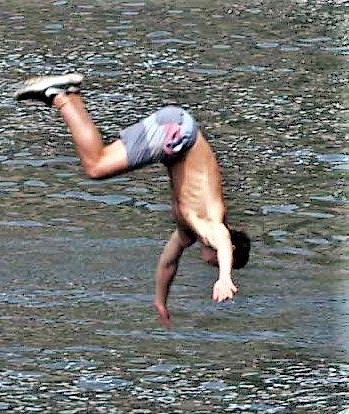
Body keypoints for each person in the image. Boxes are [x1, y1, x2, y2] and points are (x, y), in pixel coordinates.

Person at [15, 72, 250, 328]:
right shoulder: (210, 223)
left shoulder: (189, 232)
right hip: (177, 134)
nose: (211, 265)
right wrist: (224, 278)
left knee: (97, 162)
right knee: (96, 166)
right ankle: (62, 95)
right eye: (218, 264)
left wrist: (160, 301)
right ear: (228, 255)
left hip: (177, 133)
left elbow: (168, 263)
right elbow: (224, 242)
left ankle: (62, 94)